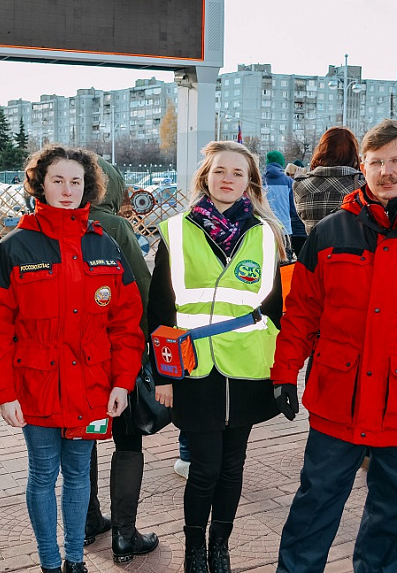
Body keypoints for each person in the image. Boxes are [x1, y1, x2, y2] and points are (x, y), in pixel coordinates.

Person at [0, 146, 144, 573]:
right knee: (42, 476)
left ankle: (76, 559)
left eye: (76, 181)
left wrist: (122, 382)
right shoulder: (14, 247)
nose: (67, 190)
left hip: (93, 387)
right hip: (36, 388)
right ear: (40, 184)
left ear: (88, 186)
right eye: (58, 180)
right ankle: (50, 562)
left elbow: (127, 324)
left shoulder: (105, 244)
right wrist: (4, 394)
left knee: (77, 477)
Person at [148, 141, 284, 573]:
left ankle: (220, 547)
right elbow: (159, 309)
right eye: (220, 171)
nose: (228, 179)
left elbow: (276, 310)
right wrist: (163, 376)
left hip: (246, 366)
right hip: (192, 367)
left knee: (233, 465)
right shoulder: (176, 230)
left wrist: (280, 373)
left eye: (238, 173)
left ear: (250, 182)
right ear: (205, 176)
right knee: (204, 466)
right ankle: (194, 550)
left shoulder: (265, 233)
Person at [271, 119, 397, 572]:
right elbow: (301, 313)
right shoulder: (329, 232)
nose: (387, 171)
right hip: (337, 401)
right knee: (315, 507)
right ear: (361, 167)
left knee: (391, 517)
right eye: (377, 162)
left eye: (396, 161)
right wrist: (284, 372)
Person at [84, 157, 158, 562]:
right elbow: (141, 290)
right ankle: (125, 537)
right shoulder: (114, 227)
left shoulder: (56, 226)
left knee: (86, 443)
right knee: (128, 441)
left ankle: (87, 520)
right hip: (121, 355)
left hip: (81, 360)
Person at [292, 126, 365, 234]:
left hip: (316, 248)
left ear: (321, 150)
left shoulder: (300, 185)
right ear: (353, 153)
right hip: (353, 250)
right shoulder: (363, 185)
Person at [264, 150, 301, 259]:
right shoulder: (289, 181)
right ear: (281, 163)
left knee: (266, 261)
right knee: (285, 262)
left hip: (265, 227)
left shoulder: (260, 180)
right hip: (285, 229)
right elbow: (294, 209)